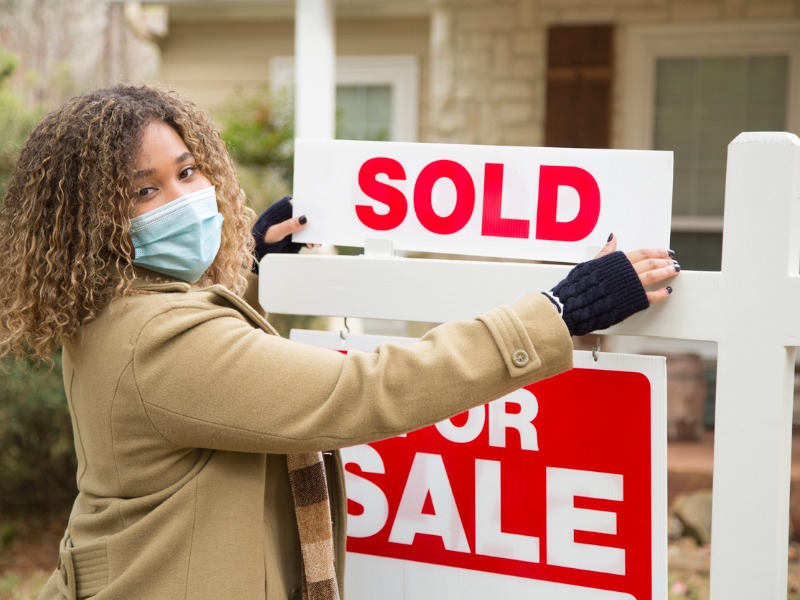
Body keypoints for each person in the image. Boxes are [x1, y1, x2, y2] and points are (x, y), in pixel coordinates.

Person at [0, 85, 678, 600]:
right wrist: (558, 311)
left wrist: (261, 273)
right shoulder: (154, 340)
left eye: (188, 171)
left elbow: (221, 377)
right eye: (145, 191)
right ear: (94, 222)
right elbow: (355, 392)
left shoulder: (111, 313)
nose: (184, 198)